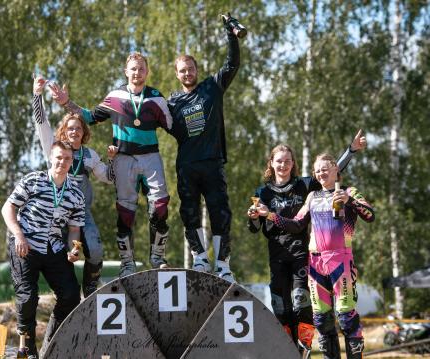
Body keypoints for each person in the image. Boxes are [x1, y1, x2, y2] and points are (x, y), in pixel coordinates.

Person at [49, 53, 173, 277]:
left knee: (161, 206)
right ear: (126, 71)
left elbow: (174, 125)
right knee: (126, 212)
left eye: (141, 69)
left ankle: (157, 257)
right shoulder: (115, 96)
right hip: (123, 158)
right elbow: (90, 116)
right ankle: (127, 263)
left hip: (150, 157)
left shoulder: (156, 97)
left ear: (147, 71)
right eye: (133, 69)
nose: (137, 72)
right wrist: (66, 103)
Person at [247, 131, 366, 356]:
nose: (283, 165)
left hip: (303, 255)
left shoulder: (304, 185)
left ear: (293, 164)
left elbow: (331, 171)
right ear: (271, 163)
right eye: (279, 161)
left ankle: (304, 350)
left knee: (303, 306)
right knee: (281, 310)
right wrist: (254, 218)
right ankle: (287, 351)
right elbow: (254, 228)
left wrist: (350, 151)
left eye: (287, 161)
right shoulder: (262, 192)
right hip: (277, 256)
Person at [166, 15, 241, 282]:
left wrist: (231, 33)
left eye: (190, 68)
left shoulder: (212, 87)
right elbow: (147, 116)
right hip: (187, 166)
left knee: (220, 211)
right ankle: (200, 259)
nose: (187, 73)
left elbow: (232, 63)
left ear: (196, 70)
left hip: (212, 162)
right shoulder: (171, 102)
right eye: (182, 70)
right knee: (189, 212)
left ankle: (222, 264)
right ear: (177, 74)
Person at [32, 75, 116, 297]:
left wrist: (114, 159)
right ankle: (64, 294)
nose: (74, 132)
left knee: (96, 251)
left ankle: (90, 287)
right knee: (59, 257)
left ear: (84, 132)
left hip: (82, 213)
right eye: (70, 128)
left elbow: (108, 177)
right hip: (54, 213)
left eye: (78, 128)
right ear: (64, 131)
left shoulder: (89, 155)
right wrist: (37, 95)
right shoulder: (54, 148)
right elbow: (41, 124)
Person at [1, 141, 85, 358]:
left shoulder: (76, 193)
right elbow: (7, 208)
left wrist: (74, 249)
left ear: (72, 161)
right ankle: (28, 351)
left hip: (54, 247)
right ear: (51, 157)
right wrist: (18, 235)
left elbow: (74, 228)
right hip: (25, 244)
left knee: (71, 294)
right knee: (28, 297)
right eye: (58, 157)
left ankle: (53, 343)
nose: (62, 162)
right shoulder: (33, 180)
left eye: (67, 158)